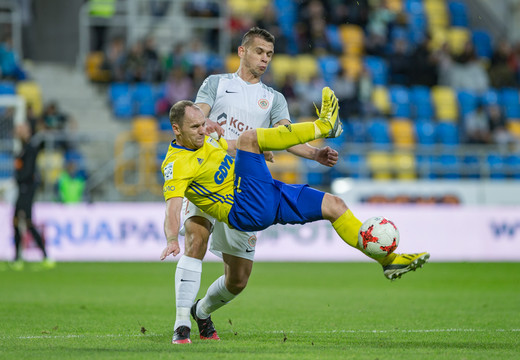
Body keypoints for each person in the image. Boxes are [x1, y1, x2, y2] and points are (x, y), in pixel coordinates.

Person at [160, 91, 429, 343]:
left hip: (266, 193)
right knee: (249, 138)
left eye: (202, 124)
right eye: (195, 127)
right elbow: (172, 207)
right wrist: (172, 238)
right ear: (177, 129)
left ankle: (388, 260)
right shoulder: (176, 164)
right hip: (244, 208)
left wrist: (254, 154)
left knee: (333, 205)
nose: (202, 130)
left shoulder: (206, 136)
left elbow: (229, 146)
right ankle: (325, 126)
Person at [168, 27, 340, 344]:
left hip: (246, 190)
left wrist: (314, 153)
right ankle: (181, 325)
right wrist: (210, 128)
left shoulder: (273, 98)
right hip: (209, 174)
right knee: (196, 237)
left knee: (238, 280)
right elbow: (197, 118)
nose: (264, 59)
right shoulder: (216, 84)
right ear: (242, 51)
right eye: (259, 51)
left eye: (269, 54)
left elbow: (285, 136)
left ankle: (201, 311)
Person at [11, 123, 55, 270]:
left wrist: (19, 179)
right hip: (22, 189)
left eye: (20, 129)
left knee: (27, 222)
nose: (17, 131)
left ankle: (44, 256)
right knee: (17, 222)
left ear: (27, 131)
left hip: (27, 190)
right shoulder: (22, 148)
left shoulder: (29, 149)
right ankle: (17, 258)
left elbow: (28, 171)